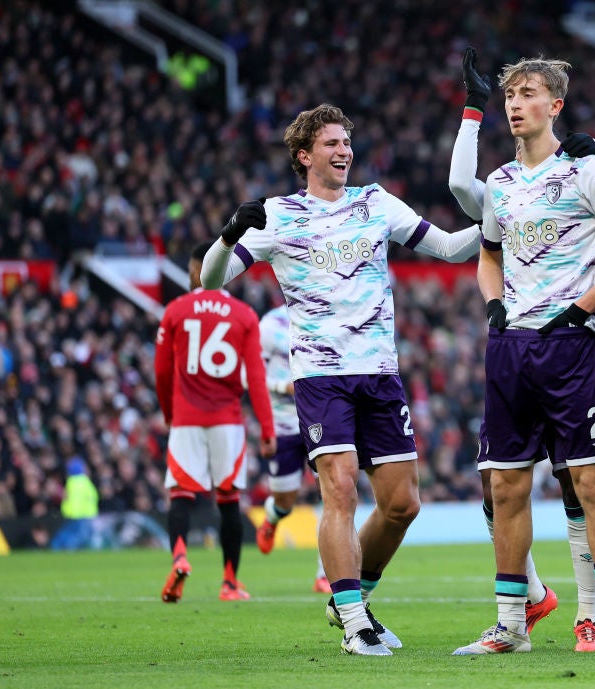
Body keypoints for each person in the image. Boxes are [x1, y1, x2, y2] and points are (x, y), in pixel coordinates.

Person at [201, 103, 482, 656]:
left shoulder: (375, 202)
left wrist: (505, 222)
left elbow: (449, 248)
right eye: (331, 143)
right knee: (340, 486)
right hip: (321, 375)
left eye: (347, 141)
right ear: (305, 155)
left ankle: (351, 598)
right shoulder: (277, 215)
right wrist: (229, 234)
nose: (344, 151)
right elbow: (212, 281)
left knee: (403, 503)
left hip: (380, 372)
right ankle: (355, 621)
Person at [452, 56, 595, 656]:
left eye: (527, 94)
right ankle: (510, 623)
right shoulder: (499, 182)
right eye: (509, 94)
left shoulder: (585, 170)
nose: (513, 103)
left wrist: (585, 309)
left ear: (554, 105)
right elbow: (488, 255)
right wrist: (493, 305)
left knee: (587, 482)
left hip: (570, 346)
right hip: (511, 347)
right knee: (504, 486)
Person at [155, 241, 276, 603]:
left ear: (195, 271)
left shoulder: (176, 310)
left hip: (187, 418)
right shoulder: (243, 315)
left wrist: (169, 413)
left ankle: (179, 556)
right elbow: (256, 378)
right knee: (228, 500)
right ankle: (229, 582)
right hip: (227, 420)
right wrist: (268, 430)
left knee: (180, 493)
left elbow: (162, 371)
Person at [253, 304, 331, 592]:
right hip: (283, 423)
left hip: (319, 419)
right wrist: (282, 386)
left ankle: (325, 575)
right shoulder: (269, 325)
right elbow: (253, 375)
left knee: (334, 497)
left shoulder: (324, 317)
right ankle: (273, 516)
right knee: (285, 500)